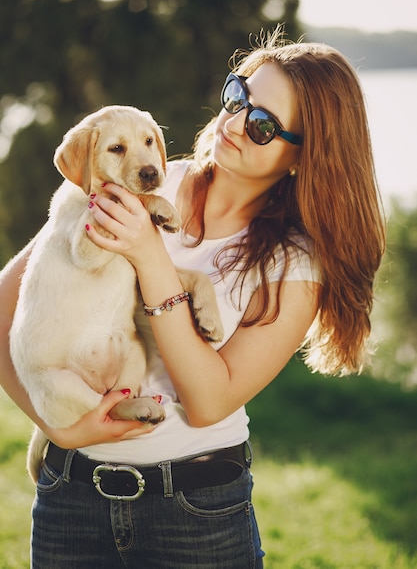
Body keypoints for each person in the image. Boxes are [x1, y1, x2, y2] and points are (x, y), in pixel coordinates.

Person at [0, 28, 385, 568]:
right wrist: (56, 423)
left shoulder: (293, 265)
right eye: (238, 96)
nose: (233, 124)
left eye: (263, 125)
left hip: (195, 513)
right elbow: (4, 307)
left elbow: (207, 403)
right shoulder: (135, 177)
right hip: (72, 497)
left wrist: (150, 257)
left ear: (306, 155)